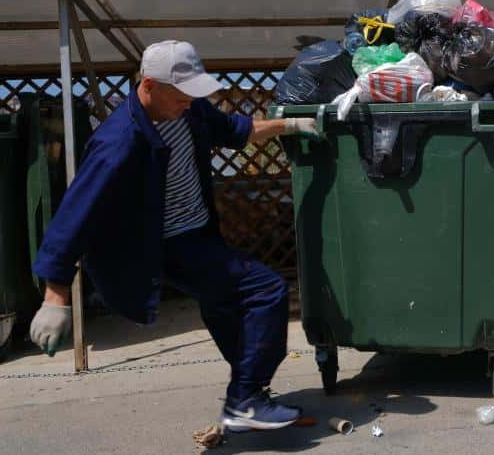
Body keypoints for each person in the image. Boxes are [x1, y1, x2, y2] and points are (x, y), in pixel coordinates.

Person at [28, 40, 317, 432]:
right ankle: (244, 400)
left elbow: (236, 129)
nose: (190, 102)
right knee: (265, 291)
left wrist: (290, 125)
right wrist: (55, 297)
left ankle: (248, 392)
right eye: (182, 95)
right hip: (160, 245)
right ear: (149, 86)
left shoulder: (190, 109)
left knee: (225, 303)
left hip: (198, 233)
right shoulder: (119, 142)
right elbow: (75, 215)